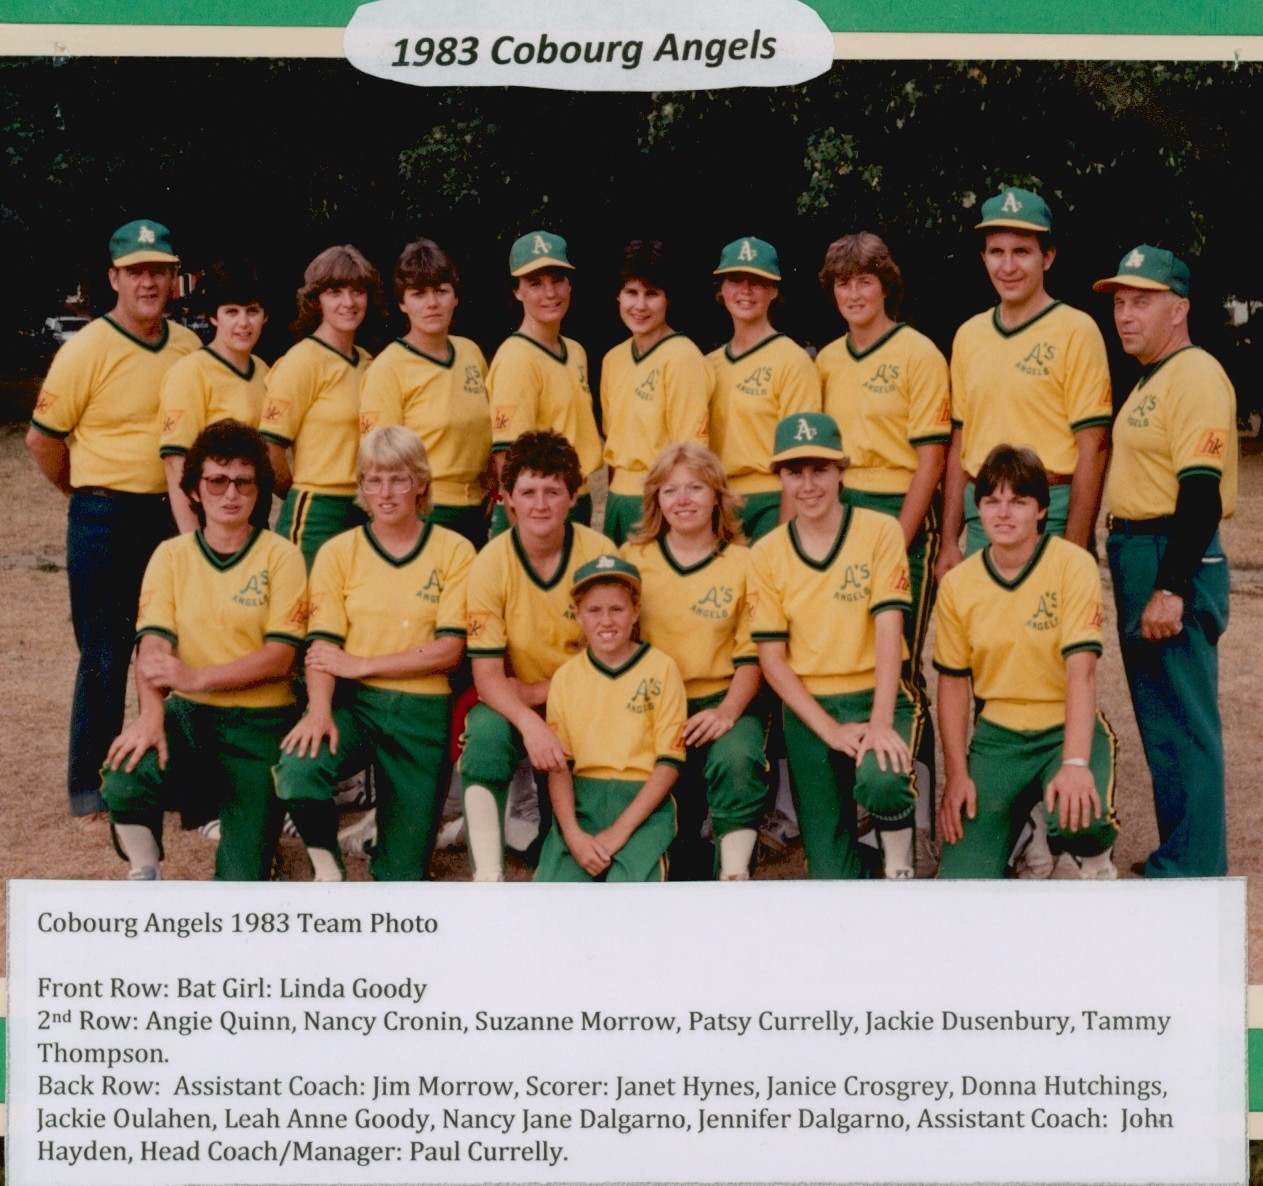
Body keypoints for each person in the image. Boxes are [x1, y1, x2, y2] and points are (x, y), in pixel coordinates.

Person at [26, 218, 201, 822]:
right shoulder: (86, 350)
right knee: (104, 650)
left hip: (172, 516)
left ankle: (177, 778)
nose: (149, 283)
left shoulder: (189, 348)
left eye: (159, 271)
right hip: (104, 514)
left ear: (173, 278)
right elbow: (41, 439)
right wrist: (84, 491)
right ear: (113, 279)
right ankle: (89, 784)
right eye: (136, 272)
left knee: (177, 647)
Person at [99, 421, 307, 880]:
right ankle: (144, 873)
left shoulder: (282, 556)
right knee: (126, 772)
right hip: (190, 719)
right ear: (194, 489)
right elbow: (152, 646)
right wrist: (152, 717)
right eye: (216, 480)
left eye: (244, 481)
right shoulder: (171, 556)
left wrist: (195, 678)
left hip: (260, 728)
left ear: (259, 489)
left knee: (242, 882)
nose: (230, 494)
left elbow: (280, 657)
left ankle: (260, 842)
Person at [273, 427, 474, 881]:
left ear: (421, 482)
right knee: (300, 769)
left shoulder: (454, 550)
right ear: (360, 485)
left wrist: (364, 663)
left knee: (402, 876)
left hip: (422, 712)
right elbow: (323, 646)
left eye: (399, 479)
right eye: (373, 480)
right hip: (355, 705)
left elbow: (448, 651)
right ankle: (328, 871)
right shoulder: (338, 551)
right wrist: (320, 710)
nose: (386, 492)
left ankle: (385, 838)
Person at [1094, 245, 1238, 878]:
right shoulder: (1155, 376)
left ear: (1179, 309)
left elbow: (1201, 490)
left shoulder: (1196, 372)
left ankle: (1195, 867)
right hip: (1139, 551)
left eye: (1142, 301)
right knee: (1161, 720)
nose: (1126, 315)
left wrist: (1172, 587)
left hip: (1169, 551)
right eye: (1121, 302)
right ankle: (1180, 853)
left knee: (1185, 719)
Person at [815, 232, 951, 857]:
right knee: (854, 656)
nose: (853, 293)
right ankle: (860, 805)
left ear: (886, 285)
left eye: (864, 281)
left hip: (899, 514)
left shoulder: (919, 351)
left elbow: (932, 455)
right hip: (841, 514)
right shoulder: (828, 362)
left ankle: (911, 803)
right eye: (843, 283)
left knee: (900, 666)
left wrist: (898, 535)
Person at [934, 445, 1120, 879]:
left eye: (1018, 501)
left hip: (1062, 729)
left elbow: (1082, 672)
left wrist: (1075, 763)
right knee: (961, 884)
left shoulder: (1072, 565)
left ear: (1041, 509)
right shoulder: (960, 583)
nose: (1003, 513)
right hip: (998, 739)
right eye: (991, 501)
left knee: (1080, 817)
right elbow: (953, 683)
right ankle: (1023, 826)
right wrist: (957, 775)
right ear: (976, 508)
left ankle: (1092, 861)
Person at [750, 412, 919, 879]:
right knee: (830, 876)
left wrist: (881, 722)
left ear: (842, 470)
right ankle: (865, 868)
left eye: (820, 469)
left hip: (874, 693)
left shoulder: (879, 530)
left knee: (882, 779)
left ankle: (900, 869)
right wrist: (830, 731)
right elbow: (772, 659)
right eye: (794, 472)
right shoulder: (766, 552)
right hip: (810, 710)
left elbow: (890, 629)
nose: (808, 485)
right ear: (779, 477)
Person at [460, 430, 611, 880]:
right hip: (514, 704)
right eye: (527, 492)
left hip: (581, 698)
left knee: (576, 854)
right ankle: (488, 875)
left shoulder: (598, 554)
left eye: (553, 491)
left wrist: (540, 691)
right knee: (484, 737)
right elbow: (487, 677)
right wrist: (529, 720)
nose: (540, 505)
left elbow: (610, 659)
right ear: (508, 498)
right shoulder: (490, 563)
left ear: (573, 496)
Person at [939, 187, 1112, 572]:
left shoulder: (1076, 330)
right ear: (983, 257)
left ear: (1047, 257)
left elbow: (1095, 448)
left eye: (1022, 252)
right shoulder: (969, 335)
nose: (1008, 266)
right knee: (985, 631)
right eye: (996, 252)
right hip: (982, 515)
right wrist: (949, 540)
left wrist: (1076, 545)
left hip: (1048, 512)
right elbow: (960, 442)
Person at [622, 443, 766, 879]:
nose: (682, 500)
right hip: (653, 703)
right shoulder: (633, 559)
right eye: (669, 490)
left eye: (695, 488)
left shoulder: (745, 562)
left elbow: (753, 654)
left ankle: (734, 875)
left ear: (718, 496)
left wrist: (727, 711)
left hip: (723, 697)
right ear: (655, 500)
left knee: (736, 758)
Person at [535, 556, 687, 882]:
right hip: (581, 803)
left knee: (627, 901)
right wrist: (573, 835)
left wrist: (620, 831)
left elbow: (669, 763)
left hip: (643, 804)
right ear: (578, 614)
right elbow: (559, 767)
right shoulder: (565, 677)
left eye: (617, 609)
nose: (606, 621)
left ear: (635, 612)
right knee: (554, 903)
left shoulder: (661, 668)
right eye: (594, 611)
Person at [360, 238, 492, 552]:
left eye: (441, 291)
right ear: (403, 303)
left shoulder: (471, 353)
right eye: (419, 294)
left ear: (455, 297)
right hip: (424, 512)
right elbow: (380, 459)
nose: (432, 303)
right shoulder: (388, 367)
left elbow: (488, 432)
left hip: (477, 510)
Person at [261, 244, 378, 570]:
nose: (349, 302)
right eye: (336, 292)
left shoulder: (368, 363)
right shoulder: (301, 361)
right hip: (315, 514)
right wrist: (300, 491)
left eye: (357, 291)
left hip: (363, 510)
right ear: (317, 299)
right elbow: (271, 450)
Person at [486, 230, 602, 534]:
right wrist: (521, 535)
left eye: (557, 280)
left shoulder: (575, 351)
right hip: (536, 510)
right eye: (535, 284)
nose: (550, 293)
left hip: (577, 498)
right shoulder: (516, 358)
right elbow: (507, 459)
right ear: (516, 291)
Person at [706, 236, 821, 542]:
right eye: (735, 280)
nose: (745, 290)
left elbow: (800, 456)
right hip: (716, 504)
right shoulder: (707, 364)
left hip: (770, 501)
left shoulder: (792, 360)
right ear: (722, 288)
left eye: (757, 281)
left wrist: (785, 534)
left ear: (773, 290)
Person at [599, 240, 712, 545]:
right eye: (631, 293)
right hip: (617, 502)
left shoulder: (683, 357)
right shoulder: (613, 359)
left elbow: (690, 454)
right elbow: (614, 445)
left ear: (667, 299)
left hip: (659, 501)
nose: (640, 306)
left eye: (652, 294)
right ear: (618, 296)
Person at [159, 258, 270, 533]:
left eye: (252, 311)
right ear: (213, 316)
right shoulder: (191, 372)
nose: (243, 323)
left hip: (253, 519)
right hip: (206, 524)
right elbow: (176, 466)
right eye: (231, 311)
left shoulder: (266, 373)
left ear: (265, 316)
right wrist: (193, 543)